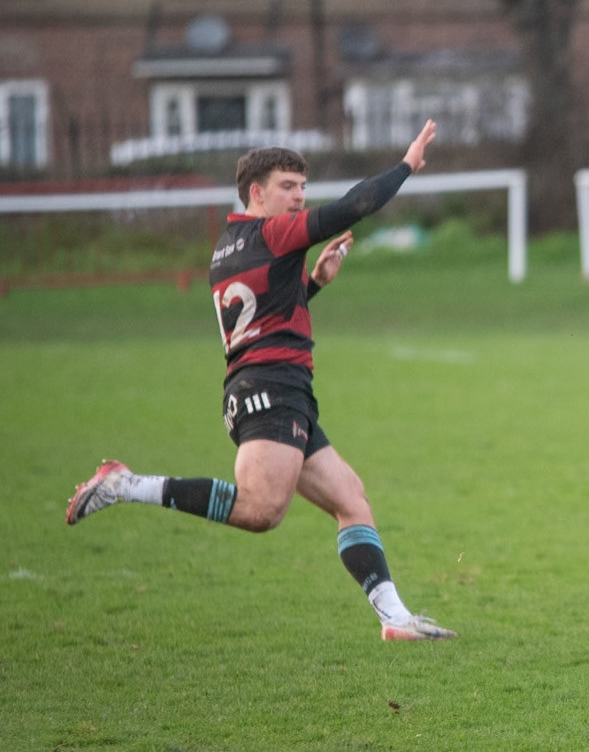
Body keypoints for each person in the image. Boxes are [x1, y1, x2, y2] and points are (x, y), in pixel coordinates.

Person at [65, 120, 456, 642]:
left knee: (351, 499)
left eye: (302, 188)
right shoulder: (273, 233)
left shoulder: (229, 244)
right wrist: (406, 165)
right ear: (256, 192)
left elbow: (264, 320)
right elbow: (355, 206)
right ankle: (125, 484)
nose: (299, 199)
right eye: (287, 188)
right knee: (260, 510)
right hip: (272, 388)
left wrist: (313, 282)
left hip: (271, 386)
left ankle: (396, 619)